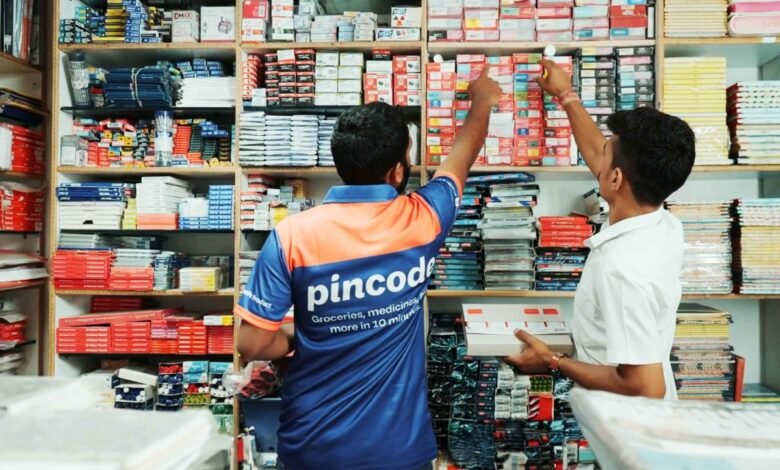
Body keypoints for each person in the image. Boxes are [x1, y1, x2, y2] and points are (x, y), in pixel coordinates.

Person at [234, 68, 503, 469]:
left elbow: (252, 344)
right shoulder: (424, 219)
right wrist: (482, 101)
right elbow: (460, 158)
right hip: (397, 448)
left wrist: (299, 335)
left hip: (311, 445)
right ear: (397, 170)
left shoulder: (292, 235)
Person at [505, 59, 696, 399]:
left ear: (616, 178)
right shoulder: (661, 220)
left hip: (631, 430)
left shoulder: (621, 270)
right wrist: (566, 95)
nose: (599, 159)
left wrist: (553, 360)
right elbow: (597, 152)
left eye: (608, 155)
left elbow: (645, 388)